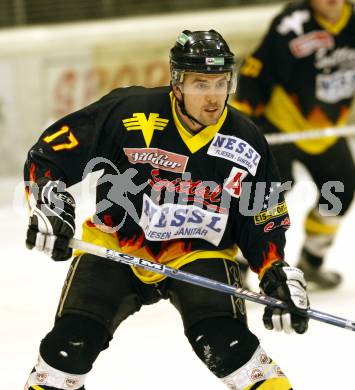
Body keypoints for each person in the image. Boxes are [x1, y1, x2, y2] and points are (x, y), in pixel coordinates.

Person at [24, 30, 309, 390]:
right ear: (177, 83)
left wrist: (274, 270)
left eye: (221, 83)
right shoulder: (127, 112)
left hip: (199, 252)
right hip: (116, 246)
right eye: (201, 84)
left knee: (231, 349)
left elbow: (262, 218)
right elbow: (49, 155)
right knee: (66, 352)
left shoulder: (246, 139)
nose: (213, 98)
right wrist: (50, 203)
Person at [233, 0, 355, 290]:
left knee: (339, 190)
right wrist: (241, 120)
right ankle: (237, 265)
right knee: (269, 196)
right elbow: (255, 68)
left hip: (326, 131)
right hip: (280, 128)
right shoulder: (292, 23)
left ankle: (312, 261)